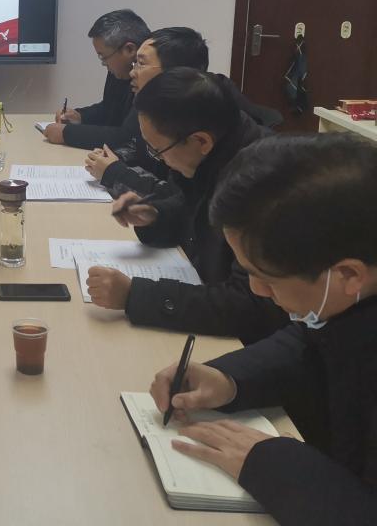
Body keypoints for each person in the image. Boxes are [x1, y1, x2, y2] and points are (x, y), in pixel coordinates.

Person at [149, 134, 377, 526]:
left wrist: (273, 464)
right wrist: (229, 380)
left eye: (266, 277)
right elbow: (309, 343)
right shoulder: (349, 293)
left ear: (348, 275)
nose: (256, 290)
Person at [85, 68, 287, 344]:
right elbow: (192, 208)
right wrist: (156, 215)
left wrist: (135, 295)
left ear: (201, 141)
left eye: (157, 151)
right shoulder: (216, 150)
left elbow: (250, 305)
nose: (159, 160)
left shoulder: (262, 185)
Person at [85, 27, 208, 196]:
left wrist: (113, 173)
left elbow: (174, 197)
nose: (132, 72)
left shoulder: (196, 118)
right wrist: (113, 157)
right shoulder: (155, 105)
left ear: (175, 72)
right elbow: (139, 145)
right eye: (134, 63)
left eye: (141, 64)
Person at [42, 9, 150, 149]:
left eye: (103, 57)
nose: (104, 64)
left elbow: (128, 137)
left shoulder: (153, 80)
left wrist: (66, 133)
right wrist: (80, 116)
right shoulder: (120, 70)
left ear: (129, 50)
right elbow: (109, 109)